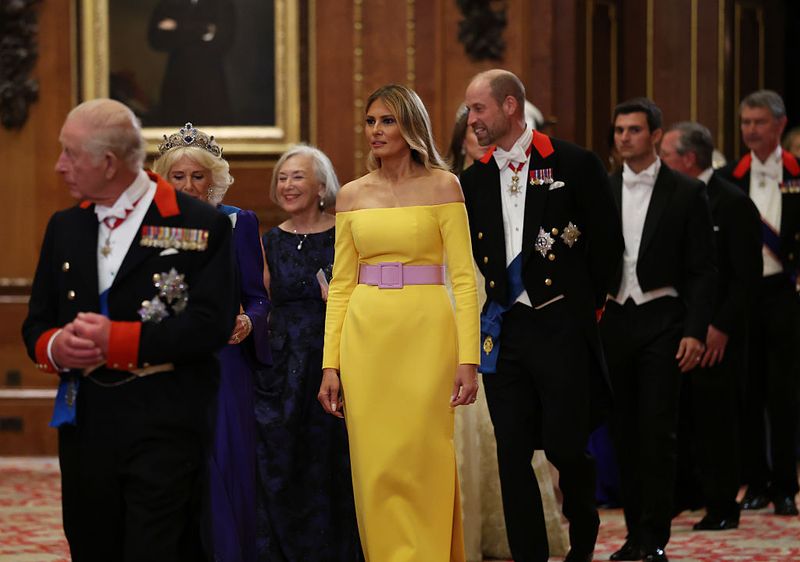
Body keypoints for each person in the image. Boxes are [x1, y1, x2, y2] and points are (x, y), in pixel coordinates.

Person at [21, 98, 237, 560]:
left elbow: (210, 324)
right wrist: (58, 347)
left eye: (69, 154)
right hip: (86, 420)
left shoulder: (200, 225)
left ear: (107, 162)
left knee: (157, 550)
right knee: (93, 545)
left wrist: (115, 342)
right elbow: (37, 322)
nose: (59, 166)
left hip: (164, 416)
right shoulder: (66, 226)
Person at [461, 69, 624, 562]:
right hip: (505, 330)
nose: (472, 120)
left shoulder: (572, 163)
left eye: (478, 109)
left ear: (510, 106)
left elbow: (607, 247)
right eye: (470, 111)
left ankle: (585, 528)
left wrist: (584, 311)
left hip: (560, 326)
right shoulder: (474, 179)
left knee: (564, 447)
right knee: (511, 453)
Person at [319, 83, 480, 561]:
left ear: (411, 126)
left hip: (427, 333)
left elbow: (465, 280)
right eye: (370, 121)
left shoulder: (444, 185)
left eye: (387, 121)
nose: (376, 131)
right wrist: (330, 366)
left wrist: (468, 359)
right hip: (365, 338)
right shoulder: (350, 195)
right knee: (375, 464)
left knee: (422, 457)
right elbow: (341, 286)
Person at [446, 102, 570, 561]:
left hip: (499, 293)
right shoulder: (449, 182)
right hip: (456, 290)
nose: (480, 133)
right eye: (471, 127)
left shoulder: (523, 178)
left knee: (512, 428)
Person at [603, 98, 716, 562]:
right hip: (614, 321)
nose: (624, 137)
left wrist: (695, 330)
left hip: (663, 319)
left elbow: (703, 269)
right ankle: (634, 534)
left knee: (656, 431)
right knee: (625, 432)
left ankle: (654, 537)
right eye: (618, 130)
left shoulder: (686, 192)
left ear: (654, 135)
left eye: (633, 130)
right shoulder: (601, 188)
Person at [151, 122, 270, 562]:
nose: (188, 186)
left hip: (226, 363)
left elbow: (258, 298)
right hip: (168, 360)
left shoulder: (238, 222)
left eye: (197, 176)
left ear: (213, 180)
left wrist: (249, 321)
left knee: (226, 461)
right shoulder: (151, 225)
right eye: (177, 177)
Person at [255, 144, 362, 560]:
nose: (287, 185)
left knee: (331, 458)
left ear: (321, 186)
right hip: (281, 365)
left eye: (297, 176)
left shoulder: (343, 231)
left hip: (332, 356)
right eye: (282, 178)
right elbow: (261, 301)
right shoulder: (270, 240)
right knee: (284, 458)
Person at [660, 122, 762, 530]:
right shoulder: (673, 197)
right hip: (679, 326)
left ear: (688, 158)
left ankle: (723, 505)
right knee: (680, 418)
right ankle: (686, 493)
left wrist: (719, 327)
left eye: (666, 154)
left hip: (720, 333)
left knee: (717, 420)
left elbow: (745, 276)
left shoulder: (732, 201)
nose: (661, 162)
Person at [717, 90, 800, 517]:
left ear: (780, 125)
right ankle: (757, 483)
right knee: (746, 390)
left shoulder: (799, 173)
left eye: (759, 122)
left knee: (784, 393)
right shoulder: (730, 176)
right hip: (745, 295)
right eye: (745, 122)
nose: (750, 130)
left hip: (786, 294)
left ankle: (787, 485)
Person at [148, 0, 235, 125]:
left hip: (209, 82)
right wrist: (204, 29)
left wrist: (177, 27)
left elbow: (223, 41)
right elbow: (155, 40)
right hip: (177, 80)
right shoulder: (168, 3)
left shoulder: (222, 3)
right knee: (175, 133)